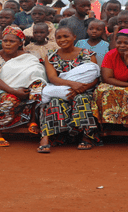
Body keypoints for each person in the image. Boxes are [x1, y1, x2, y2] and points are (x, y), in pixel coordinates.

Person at [37, 25, 100, 153]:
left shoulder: (87, 54)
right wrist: (73, 85)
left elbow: (95, 76)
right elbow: (53, 78)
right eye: (58, 37)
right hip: (60, 90)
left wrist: (80, 89)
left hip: (84, 90)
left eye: (66, 36)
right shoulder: (51, 56)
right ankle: (46, 138)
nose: (62, 40)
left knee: (82, 99)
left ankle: (86, 137)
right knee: (54, 102)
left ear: (74, 37)